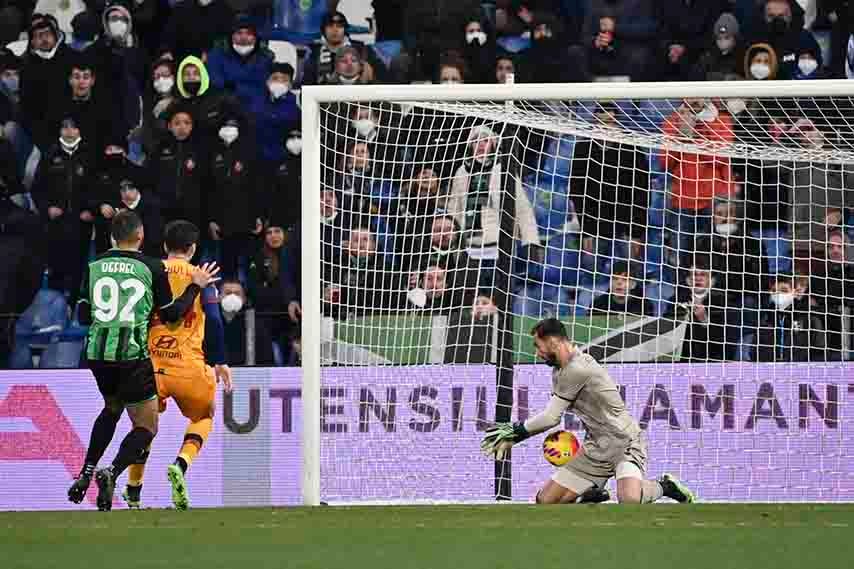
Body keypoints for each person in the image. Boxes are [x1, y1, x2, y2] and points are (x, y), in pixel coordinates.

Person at [67, 211, 219, 510]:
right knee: (146, 427)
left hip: (97, 354)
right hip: (133, 355)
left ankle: (86, 472)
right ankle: (111, 472)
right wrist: (195, 286)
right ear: (141, 237)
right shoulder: (150, 267)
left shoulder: (94, 265)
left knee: (111, 408)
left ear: (112, 237)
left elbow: (83, 315)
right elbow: (172, 316)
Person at [482, 318, 695, 505]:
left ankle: (664, 486)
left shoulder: (577, 369)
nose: (537, 354)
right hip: (596, 448)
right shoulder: (559, 371)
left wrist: (515, 432)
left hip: (624, 442)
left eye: (538, 347)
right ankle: (590, 492)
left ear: (553, 342)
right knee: (546, 501)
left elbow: (551, 418)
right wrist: (517, 434)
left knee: (629, 499)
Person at [122, 220, 231, 510]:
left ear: (164, 246)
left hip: (149, 364)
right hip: (188, 366)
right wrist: (219, 361)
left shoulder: (149, 271)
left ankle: (133, 490)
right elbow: (216, 321)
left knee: (144, 427)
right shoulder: (200, 276)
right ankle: (181, 465)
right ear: (193, 248)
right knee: (204, 416)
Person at [206, 14, 273, 113]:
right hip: (224, 107)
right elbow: (216, 83)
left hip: (256, 108)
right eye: (239, 32)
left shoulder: (265, 57)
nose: (244, 37)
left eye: (249, 33)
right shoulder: (216, 55)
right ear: (231, 36)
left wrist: (233, 86)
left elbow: (262, 86)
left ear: (255, 38)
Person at [754, 272, 827, 362]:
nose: (778, 294)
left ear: (795, 292)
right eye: (774, 291)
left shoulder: (808, 317)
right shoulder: (765, 317)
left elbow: (817, 352)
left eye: (784, 290)